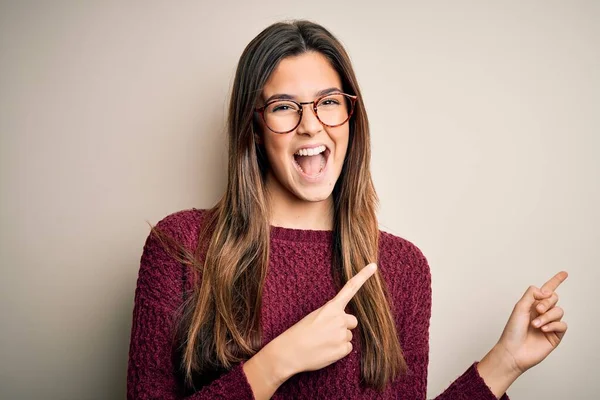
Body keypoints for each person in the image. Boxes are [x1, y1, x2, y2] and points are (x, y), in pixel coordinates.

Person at [126, 20, 568, 400]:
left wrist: (504, 363)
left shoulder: (402, 268)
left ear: (351, 117)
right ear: (255, 128)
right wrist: (276, 362)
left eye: (329, 102)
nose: (311, 124)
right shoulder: (181, 247)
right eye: (284, 107)